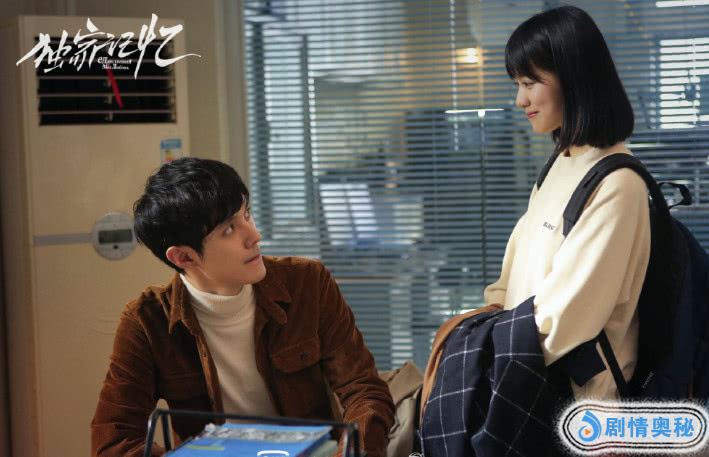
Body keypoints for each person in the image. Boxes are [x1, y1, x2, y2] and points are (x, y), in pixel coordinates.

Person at [423, 4, 651, 407]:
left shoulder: (617, 183)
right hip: (527, 380)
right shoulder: (561, 163)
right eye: (518, 83)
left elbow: (565, 320)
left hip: (578, 408)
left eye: (529, 83)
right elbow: (513, 278)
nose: (520, 99)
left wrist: (478, 356)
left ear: (574, 79)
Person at [91, 158, 394, 457]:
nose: (254, 236)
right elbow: (114, 441)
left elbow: (364, 390)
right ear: (184, 257)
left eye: (246, 215)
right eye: (228, 230)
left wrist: (349, 453)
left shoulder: (307, 283)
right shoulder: (147, 321)